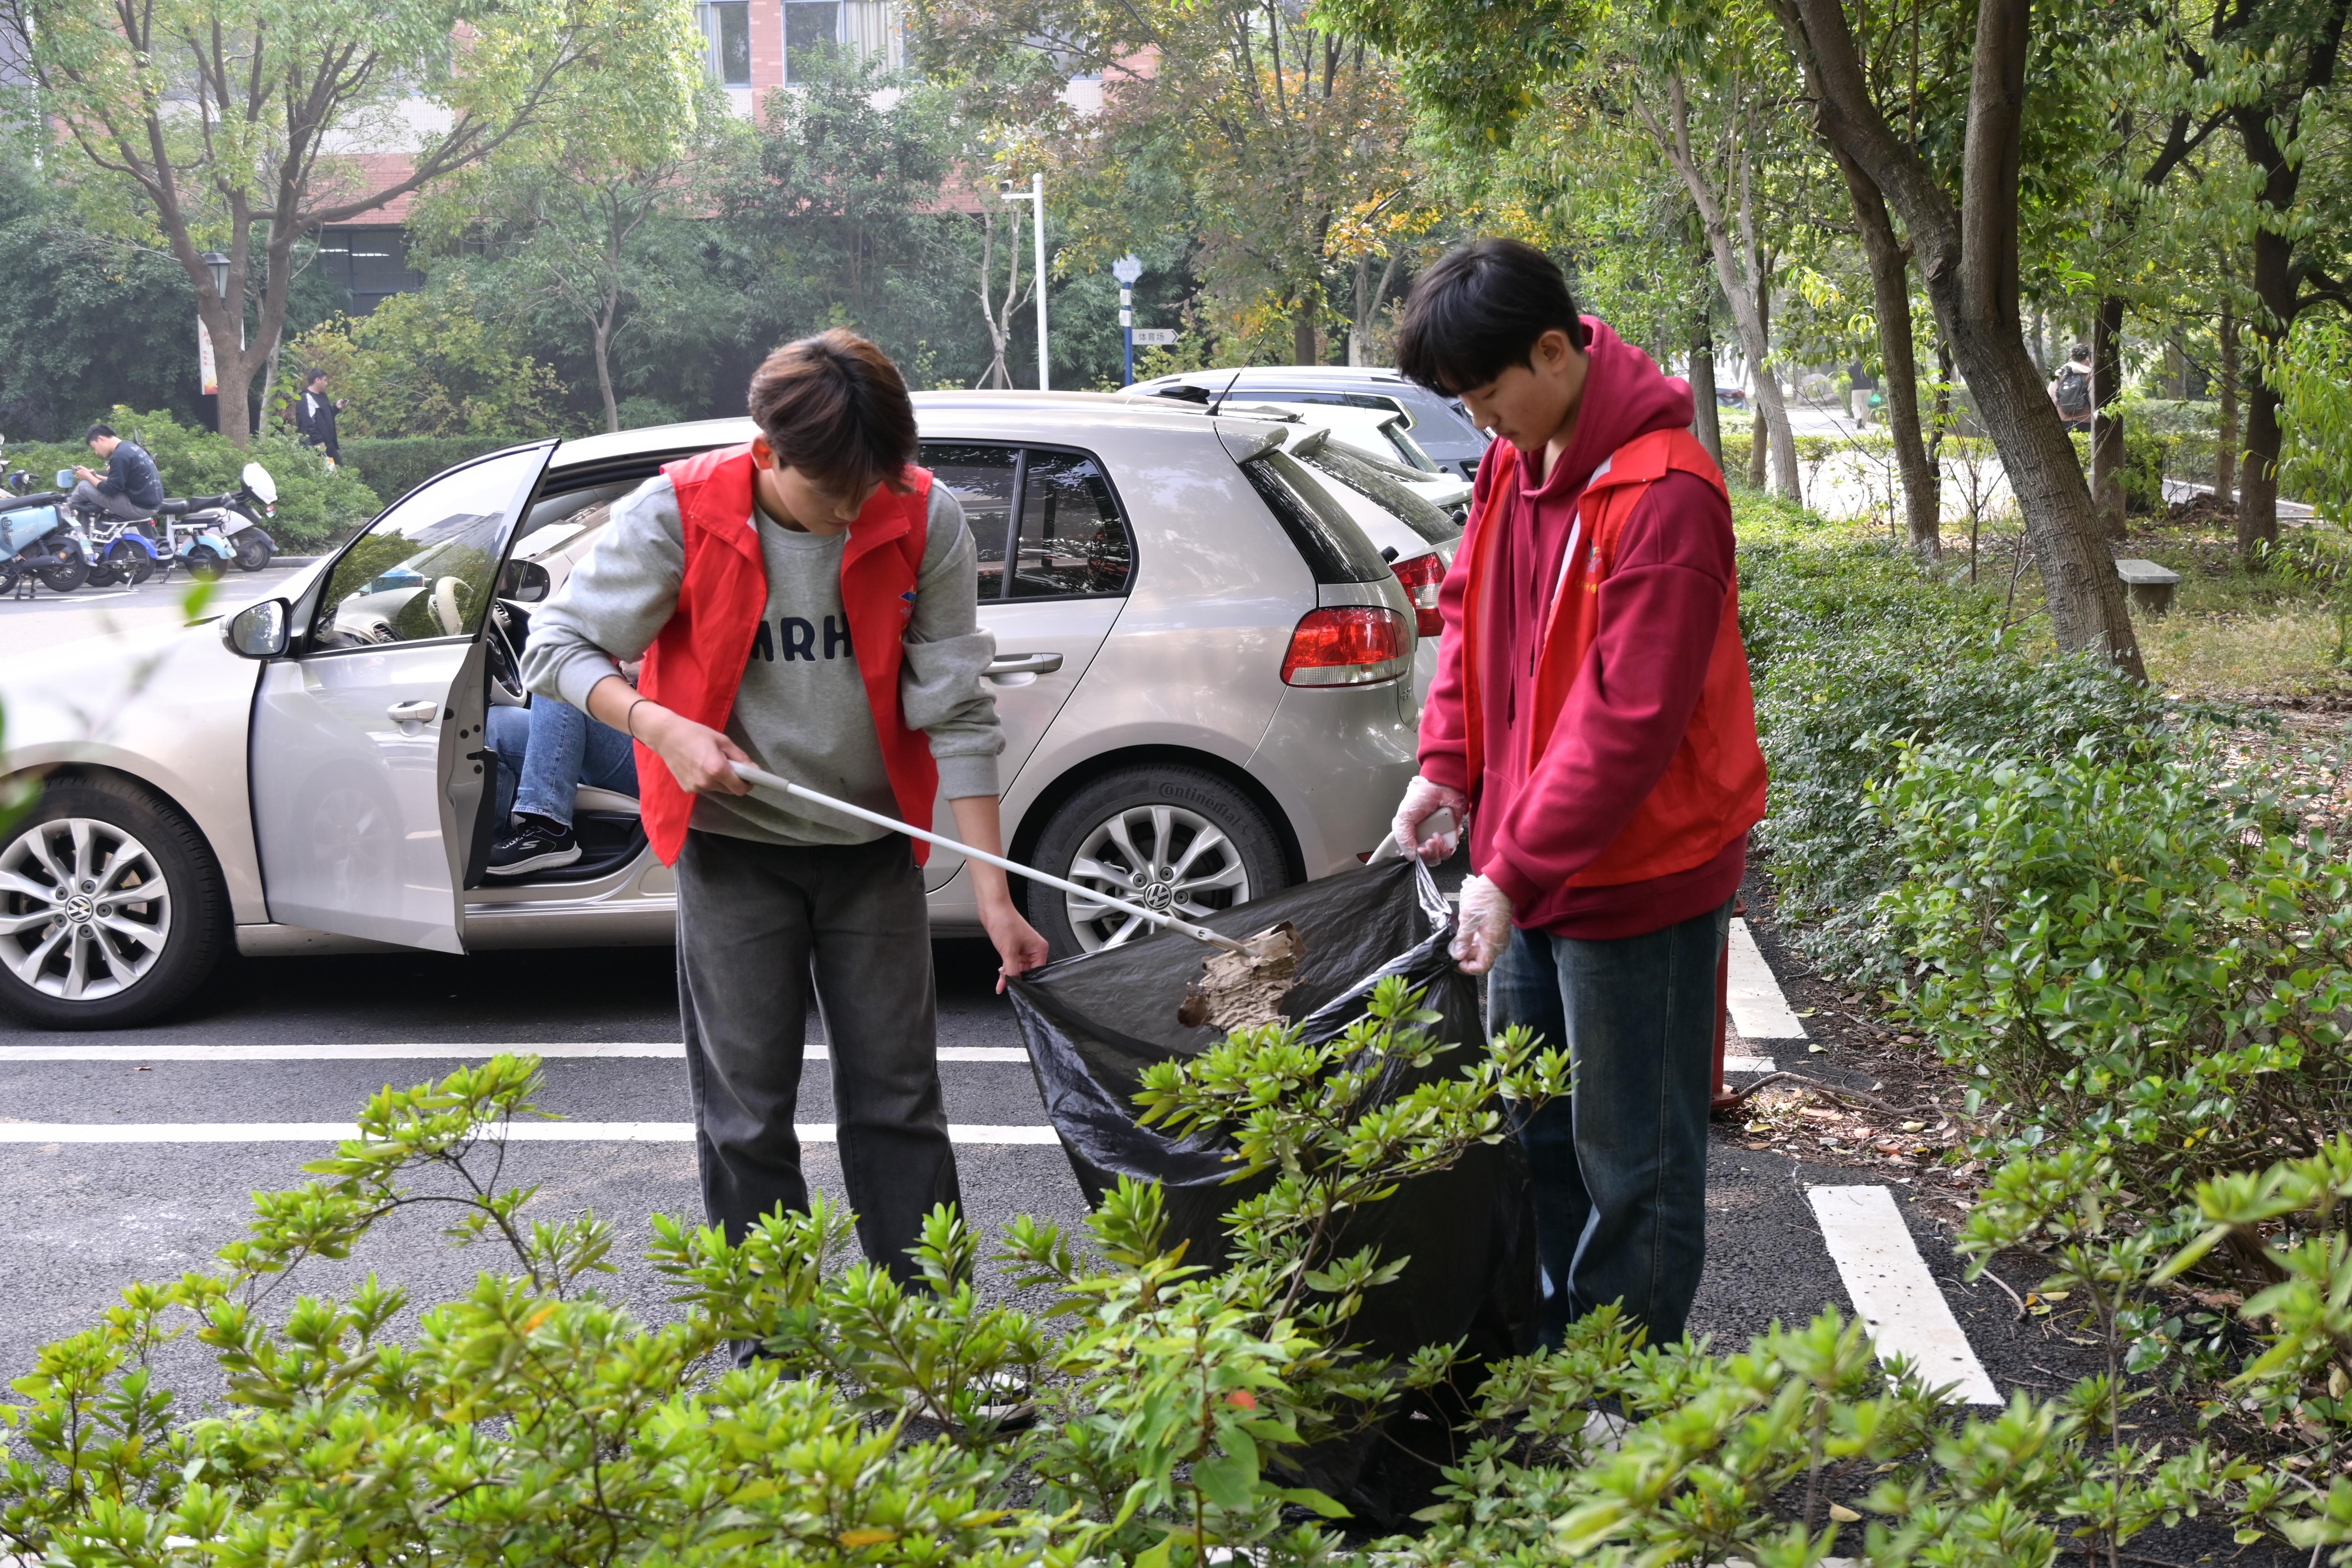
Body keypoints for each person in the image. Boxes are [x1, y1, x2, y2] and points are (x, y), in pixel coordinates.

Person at [520, 328, 1050, 1293]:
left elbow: (957, 711)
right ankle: (774, 1342)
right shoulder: (677, 514)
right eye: (832, 495)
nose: (853, 515)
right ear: (766, 452)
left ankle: (933, 1335)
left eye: (870, 489)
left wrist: (995, 898)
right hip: (733, 849)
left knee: (899, 1101)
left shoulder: (920, 513)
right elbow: (554, 648)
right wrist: (659, 726)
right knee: (746, 1113)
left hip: (871, 847)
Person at [1388, 238, 1768, 1350]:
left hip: (1641, 880)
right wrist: (1446, 765)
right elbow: (1472, 619)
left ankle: (1626, 1397)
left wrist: (1508, 868)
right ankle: (1562, 1364)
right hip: (1528, 867)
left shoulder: (1667, 496)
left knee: (1633, 1160)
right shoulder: (1518, 462)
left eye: (1487, 395)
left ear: (1554, 352)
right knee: (1538, 1131)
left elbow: (1629, 718)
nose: (1480, 423)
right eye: (1463, 403)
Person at [485, 694, 640, 875]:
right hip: (631, 724)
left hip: (654, 755)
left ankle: (549, 827)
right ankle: (491, 848)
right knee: (494, 723)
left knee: (557, 680)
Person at [70, 425, 163, 521]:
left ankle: (65, 511)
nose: (96, 453)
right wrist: (96, 476)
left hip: (139, 508)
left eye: (95, 447)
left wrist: (88, 477)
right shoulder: (129, 448)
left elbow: (110, 490)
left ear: (101, 439)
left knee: (84, 487)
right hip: (150, 506)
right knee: (91, 484)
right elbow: (120, 483)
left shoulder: (120, 456)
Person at [294, 370, 344, 462]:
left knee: (339, 470)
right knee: (332, 470)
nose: (327, 383)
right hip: (316, 447)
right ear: (318, 380)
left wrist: (336, 408)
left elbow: (325, 418)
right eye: (325, 380)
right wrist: (319, 442)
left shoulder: (323, 396)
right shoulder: (306, 397)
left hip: (329, 445)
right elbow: (309, 423)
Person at [2049, 344, 2094, 433]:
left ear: (2072, 357)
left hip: (2063, 420)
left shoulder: (2060, 373)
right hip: (2085, 420)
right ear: (2086, 359)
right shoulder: (2089, 375)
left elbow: (2052, 396)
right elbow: (2092, 398)